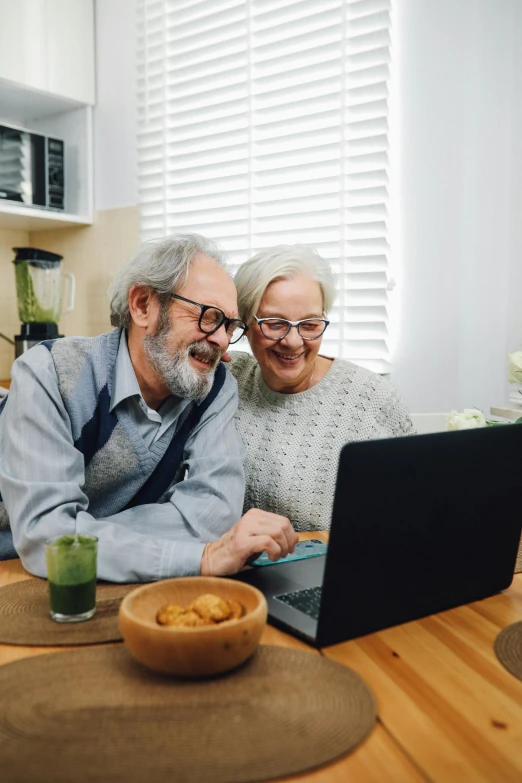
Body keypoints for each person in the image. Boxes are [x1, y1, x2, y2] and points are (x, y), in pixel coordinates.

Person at [0, 234, 297, 579]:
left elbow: (214, 514)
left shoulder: (214, 387)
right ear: (143, 305)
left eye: (229, 326)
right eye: (209, 316)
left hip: (102, 576)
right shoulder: (49, 372)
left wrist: (80, 532)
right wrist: (196, 557)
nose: (220, 339)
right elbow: (44, 540)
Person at [229, 244, 414, 531]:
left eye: (310, 324)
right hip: (236, 565)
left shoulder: (372, 398)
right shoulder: (227, 379)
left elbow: (414, 505)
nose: (293, 341)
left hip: (337, 564)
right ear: (245, 323)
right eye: (275, 324)